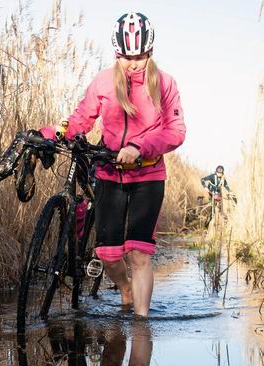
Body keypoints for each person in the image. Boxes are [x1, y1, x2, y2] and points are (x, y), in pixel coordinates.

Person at [39, 12, 186, 317]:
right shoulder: (104, 82)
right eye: (126, 56)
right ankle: (125, 289)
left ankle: (142, 324)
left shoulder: (165, 84)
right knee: (108, 254)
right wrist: (54, 133)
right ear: (117, 53)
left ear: (150, 52)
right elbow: (82, 117)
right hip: (109, 173)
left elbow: (176, 131)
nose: (133, 63)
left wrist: (138, 146)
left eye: (140, 56)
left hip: (148, 175)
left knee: (138, 253)